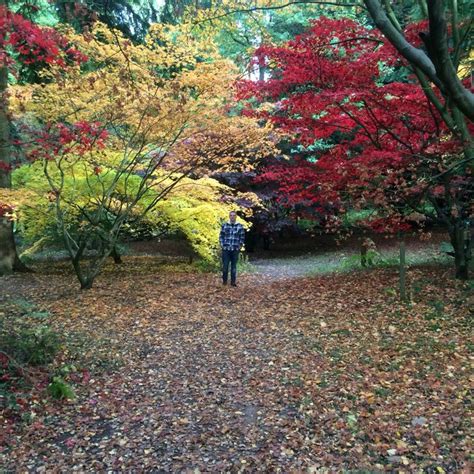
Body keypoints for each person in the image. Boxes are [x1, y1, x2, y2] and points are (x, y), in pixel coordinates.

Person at [219, 211, 245, 286]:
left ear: (236, 216)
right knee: (225, 267)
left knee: (233, 267)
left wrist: (239, 246)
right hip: (226, 250)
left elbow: (242, 237)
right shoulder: (225, 225)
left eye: (234, 215)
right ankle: (224, 282)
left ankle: (233, 282)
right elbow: (221, 236)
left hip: (235, 250)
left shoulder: (240, 226)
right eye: (231, 215)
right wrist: (222, 245)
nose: (232, 217)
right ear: (229, 216)